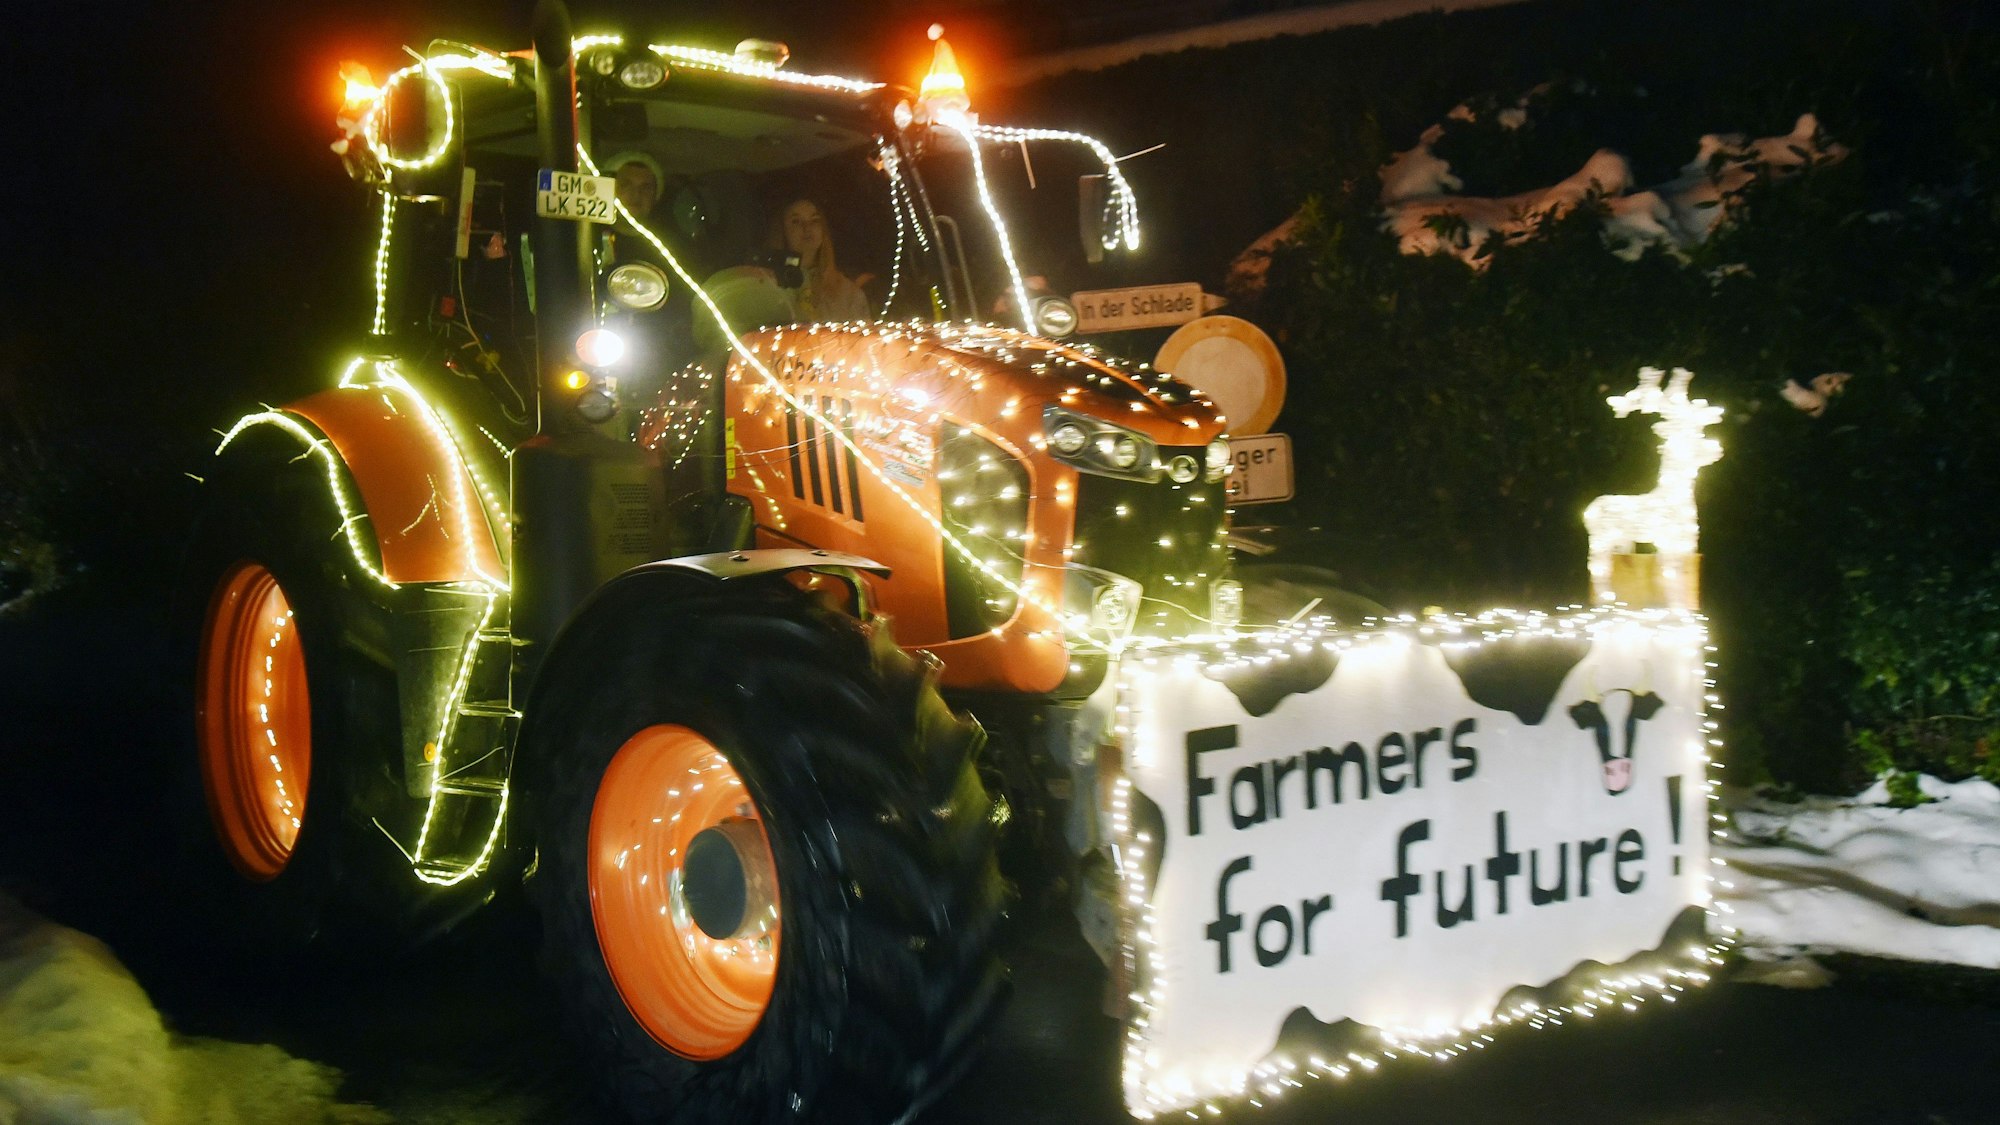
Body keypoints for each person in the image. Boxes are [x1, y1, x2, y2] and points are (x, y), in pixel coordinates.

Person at [770, 198, 869, 322]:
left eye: (815, 220)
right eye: (796, 221)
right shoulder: (768, 286)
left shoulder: (848, 294)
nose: (807, 227)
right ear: (782, 231)